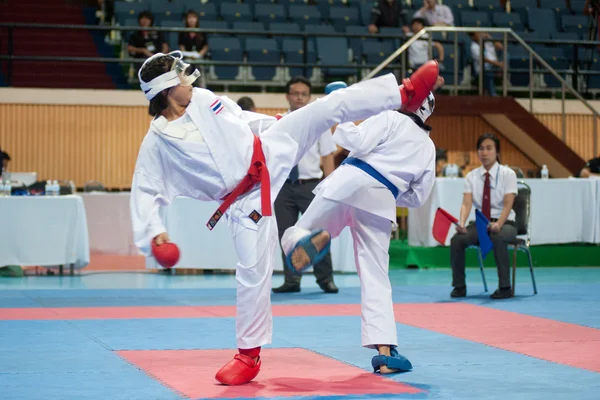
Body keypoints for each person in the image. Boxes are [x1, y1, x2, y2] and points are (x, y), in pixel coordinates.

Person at [129, 52, 439, 385]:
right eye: (181, 80)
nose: (190, 83)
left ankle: (402, 92)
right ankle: (248, 356)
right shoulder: (158, 142)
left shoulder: (204, 99)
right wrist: (155, 231)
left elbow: (242, 119)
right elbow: (144, 189)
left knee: (325, 107)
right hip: (243, 199)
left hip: (269, 147)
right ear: (165, 91)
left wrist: (275, 122)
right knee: (251, 273)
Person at [281, 76, 443, 374]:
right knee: (375, 276)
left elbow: (353, 141)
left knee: (298, 230)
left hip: (347, 182)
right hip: (382, 199)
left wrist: (339, 112)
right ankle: (385, 351)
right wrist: (391, 193)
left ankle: (306, 240)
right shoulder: (428, 147)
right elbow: (419, 196)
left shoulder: (389, 119)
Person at [272, 76, 338, 294]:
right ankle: (292, 280)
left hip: (310, 185)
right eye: (295, 93)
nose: (299, 98)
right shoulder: (279, 122)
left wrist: (329, 186)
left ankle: (325, 279)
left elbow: (328, 156)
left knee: (318, 233)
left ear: (309, 97)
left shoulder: (319, 122)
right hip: (284, 187)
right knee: (286, 234)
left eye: (303, 94)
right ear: (287, 96)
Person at [449, 132, 518, 300]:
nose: (484, 153)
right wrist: (462, 223)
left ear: (497, 152)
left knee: (498, 236)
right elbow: (466, 203)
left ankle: (505, 287)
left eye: (489, 148)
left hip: (505, 223)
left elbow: (508, 204)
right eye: (481, 149)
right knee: (457, 239)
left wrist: (499, 224)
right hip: (481, 224)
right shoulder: (471, 177)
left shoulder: (508, 174)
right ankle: (459, 286)